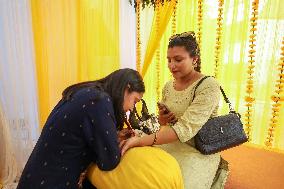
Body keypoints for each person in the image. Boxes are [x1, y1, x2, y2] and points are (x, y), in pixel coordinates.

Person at [120, 32, 229, 189]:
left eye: (178, 59)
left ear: (195, 60)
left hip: (197, 149)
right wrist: (163, 119)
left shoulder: (209, 85)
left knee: (176, 184)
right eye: (169, 60)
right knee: (141, 176)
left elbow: (184, 129)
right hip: (168, 142)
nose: (172, 65)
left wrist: (139, 141)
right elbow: (162, 124)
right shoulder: (168, 86)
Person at [17, 68, 145, 189]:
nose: (132, 108)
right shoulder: (100, 101)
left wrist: (114, 135)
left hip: (36, 179)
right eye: (135, 101)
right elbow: (109, 161)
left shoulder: (86, 92)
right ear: (126, 89)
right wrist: (128, 143)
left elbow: (80, 136)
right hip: (52, 183)